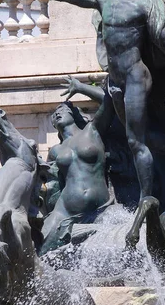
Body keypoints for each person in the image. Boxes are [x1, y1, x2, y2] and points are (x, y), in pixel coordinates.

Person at [6, 0, 165, 202]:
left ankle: (147, 200)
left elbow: (163, 37)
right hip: (114, 81)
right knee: (135, 138)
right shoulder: (103, 1)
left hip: (136, 77)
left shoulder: (143, 3)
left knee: (135, 140)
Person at [40, 99, 112, 257]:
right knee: (43, 250)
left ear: (74, 114)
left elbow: (108, 101)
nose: (57, 113)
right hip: (64, 211)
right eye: (54, 114)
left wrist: (80, 86)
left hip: (103, 208)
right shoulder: (55, 150)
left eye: (62, 109)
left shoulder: (92, 131)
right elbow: (48, 183)